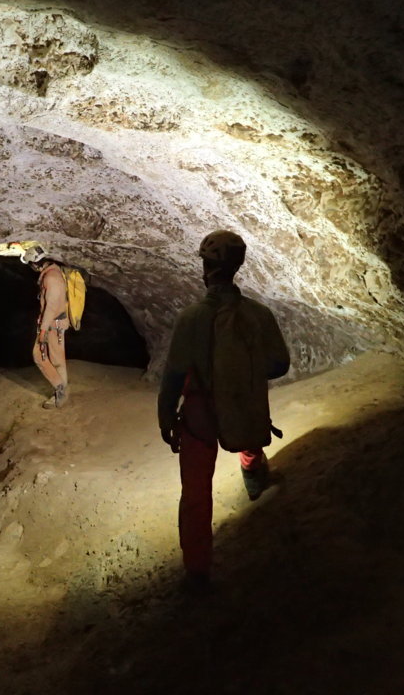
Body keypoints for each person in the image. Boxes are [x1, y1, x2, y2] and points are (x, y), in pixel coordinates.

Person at [157, 230, 290, 589]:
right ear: (238, 266)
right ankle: (254, 478)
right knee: (246, 432)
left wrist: (166, 415)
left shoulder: (191, 318)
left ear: (206, 268)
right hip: (242, 401)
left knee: (196, 490)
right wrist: (242, 371)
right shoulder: (258, 314)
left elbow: (174, 373)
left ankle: (197, 570)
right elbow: (279, 364)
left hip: (200, 411)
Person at [23, 245, 70, 409]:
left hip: (52, 325)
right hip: (55, 323)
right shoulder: (54, 272)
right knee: (57, 360)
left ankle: (60, 389)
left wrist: (43, 330)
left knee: (40, 356)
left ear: (35, 263)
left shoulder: (51, 278)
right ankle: (61, 393)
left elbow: (51, 307)